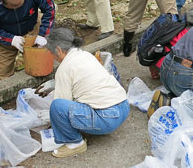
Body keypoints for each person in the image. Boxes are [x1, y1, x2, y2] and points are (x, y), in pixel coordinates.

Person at [33, 28, 128, 158]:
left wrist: (51, 117)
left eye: (51, 52)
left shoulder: (64, 68)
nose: (52, 56)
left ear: (59, 50)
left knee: (56, 106)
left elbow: (63, 105)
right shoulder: (86, 55)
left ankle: (75, 144)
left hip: (106, 119)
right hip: (123, 107)